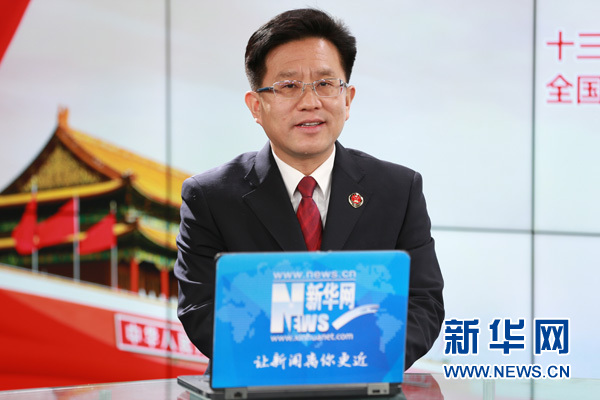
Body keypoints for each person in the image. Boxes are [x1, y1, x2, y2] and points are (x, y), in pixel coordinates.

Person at [174, 8, 444, 370]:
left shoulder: (398, 189)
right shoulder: (210, 197)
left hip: (365, 381)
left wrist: (352, 361)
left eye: (325, 84)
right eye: (289, 86)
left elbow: (423, 304)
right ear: (257, 106)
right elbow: (201, 309)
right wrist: (301, 362)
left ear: (347, 99)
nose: (310, 102)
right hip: (256, 383)